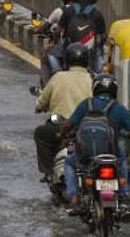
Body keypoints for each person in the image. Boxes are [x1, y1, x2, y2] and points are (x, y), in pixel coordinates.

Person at [62, 73, 130, 210]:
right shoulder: (119, 108)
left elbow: (69, 124)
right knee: (122, 161)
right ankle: (123, 196)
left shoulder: (86, 104)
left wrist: (61, 134)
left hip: (86, 155)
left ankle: (74, 198)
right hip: (112, 154)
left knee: (69, 162)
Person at [35, 43, 94, 183]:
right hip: (86, 127)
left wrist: (39, 107)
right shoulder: (92, 78)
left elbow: (41, 102)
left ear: (66, 60)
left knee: (40, 133)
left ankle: (48, 173)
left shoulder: (58, 77)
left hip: (60, 126)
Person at [58, 0, 108, 71]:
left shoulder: (69, 10)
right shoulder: (97, 13)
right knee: (100, 57)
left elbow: (58, 31)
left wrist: (55, 42)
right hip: (89, 52)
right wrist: (100, 45)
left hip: (70, 50)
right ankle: (97, 73)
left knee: (52, 55)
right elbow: (103, 36)